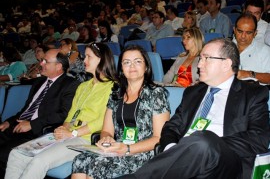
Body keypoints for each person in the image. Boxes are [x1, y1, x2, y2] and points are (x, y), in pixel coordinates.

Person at [119, 38, 269, 179]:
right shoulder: (193, 93)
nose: (199, 64)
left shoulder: (251, 94)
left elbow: (259, 139)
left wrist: (211, 144)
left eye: (206, 58)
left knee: (204, 140)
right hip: (187, 162)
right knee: (199, 144)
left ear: (226, 64)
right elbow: (171, 127)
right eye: (200, 58)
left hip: (227, 164)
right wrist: (174, 148)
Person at [5, 42, 117, 179]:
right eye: (84, 56)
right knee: (17, 153)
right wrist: (63, 130)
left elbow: (104, 121)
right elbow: (70, 115)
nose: (84, 61)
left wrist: (73, 133)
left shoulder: (113, 87)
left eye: (88, 57)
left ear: (101, 60)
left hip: (86, 139)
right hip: (68, 134)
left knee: (38, 161)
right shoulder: (83, 86)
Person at [71, 45, 170, 178]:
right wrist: (106, 138)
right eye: (126, 62)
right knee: (80, 160)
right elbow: (107, 130)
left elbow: (159, 138)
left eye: (138, 61)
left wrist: (127, 149)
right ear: (122, 69)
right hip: (117, 149)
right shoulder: (116, 93)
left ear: (146, 66)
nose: (132, 66)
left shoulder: (156, 94)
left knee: (98, 165)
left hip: (143, 153)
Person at [0, 49, 80, 169]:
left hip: (39, 131)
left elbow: (63, 115)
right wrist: (9, 122)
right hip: (18, 125)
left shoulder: (70, 84)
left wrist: (32, 124)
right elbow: (25, 110)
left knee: (5, 154)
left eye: (45, 61)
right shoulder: (39, 82)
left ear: (58, 66)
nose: (41, 63)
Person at [234, 13, 270, 84]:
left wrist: (250, 74)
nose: (243, 36)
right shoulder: (225, 48)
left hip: (255, 92)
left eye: (248, 33)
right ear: (234, 30)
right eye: (240, 31)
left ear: (255, 33)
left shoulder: (265, 51)